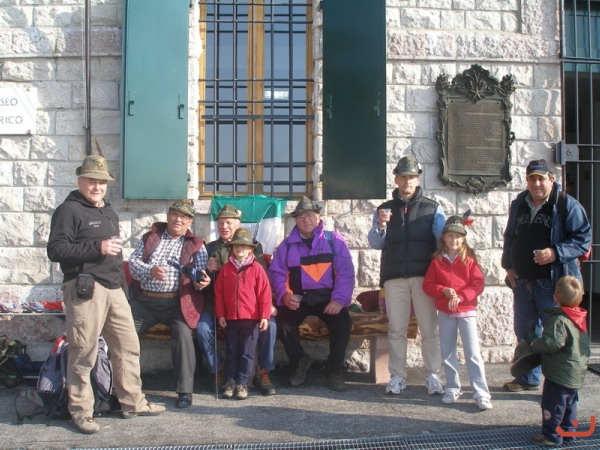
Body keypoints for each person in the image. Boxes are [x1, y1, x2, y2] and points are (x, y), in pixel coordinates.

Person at [47, 155, 165, 434]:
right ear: (80, 181)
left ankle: (132, 402)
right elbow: (56, 250)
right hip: (85, 290)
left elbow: (115, 256)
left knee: (128, 347)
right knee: (83, 352)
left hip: (114, 290)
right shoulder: (68, 210)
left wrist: (123, 289)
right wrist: (96, 248)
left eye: (102, 182)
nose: (97, 186)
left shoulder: (108, 212)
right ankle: (81, 412)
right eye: (92, 181)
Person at [501, 159, 591, 392]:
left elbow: (583, 239)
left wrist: (555, 253)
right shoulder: (519, 204)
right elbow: (510, 236)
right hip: (523, 282)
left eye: (541, 178)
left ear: (552, 179)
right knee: (526, 332)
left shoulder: (566, 205)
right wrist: (509, 266)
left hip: (553, 284)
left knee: (556, 336)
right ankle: (528, 379)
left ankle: (559, 385)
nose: (537, 183)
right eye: (532, 179)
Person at [368, 155, 445, 395]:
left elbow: (442, 244)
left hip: (423, 277)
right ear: (396, 180)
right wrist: (381, 226)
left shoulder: (432, 208)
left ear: (417, 179)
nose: (407, 181)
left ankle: (433, 375)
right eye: (403, 177)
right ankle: (398, 376)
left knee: (429, 329)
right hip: (394, 277)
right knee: (396, 330)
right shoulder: (384, 209)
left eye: (411, 177)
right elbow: (375, 243)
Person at [128, 199, 210, 409]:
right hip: (145, 303)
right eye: (175, 214)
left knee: (183, 336)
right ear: (168, 216)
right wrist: (150, 271)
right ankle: (118, 385)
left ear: (190, 221)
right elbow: (133, 265)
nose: (178, 219)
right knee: (122, 334)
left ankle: (185, 391)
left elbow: (200, 276)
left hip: (177, 303)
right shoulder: (150, 238)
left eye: (184, 217)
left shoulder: (196, 245)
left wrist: (202, 282)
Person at [269, 197, 355, 391]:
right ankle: (300, 361)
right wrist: (285, 296)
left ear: (318, 217)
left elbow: (346, 273)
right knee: (283, 324)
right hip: (300, 299)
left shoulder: (334, 241)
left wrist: (339, 300)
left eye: (309, 215)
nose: (305, 219)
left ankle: (334, 369)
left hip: (328, 299)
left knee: (343, 323)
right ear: (296, 220)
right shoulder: (286, 246)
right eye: (301, 216)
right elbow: (277, 274)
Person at [198, 204, 278, 396]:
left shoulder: (253, 248)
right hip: (217, 303)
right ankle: (218, 370)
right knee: (202, 329)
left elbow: (262, 282)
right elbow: (201, 281)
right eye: (220, 223)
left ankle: (262, 370)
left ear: (238, 224)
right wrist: (207, 271)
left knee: (271, 326)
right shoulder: (208, 248)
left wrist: (267, 307)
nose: (224, 226)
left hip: (249, 306)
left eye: (229, 222)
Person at [422, 214, 492, 410]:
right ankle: (452, 387)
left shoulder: (469, 260)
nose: (454, 240)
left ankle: (481, 392)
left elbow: (477, 284)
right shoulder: (437, 261)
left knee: (473, 353)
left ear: (463, 238)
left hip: (466, 311)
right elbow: (428, 285)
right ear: (444, 237)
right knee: (447, 352)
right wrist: (443, 290)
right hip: (445, 312)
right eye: (451, 236)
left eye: (458, 236)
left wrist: (461, 297)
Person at [527, 275, 590, 447]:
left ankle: (552, 436)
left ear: (555, 296)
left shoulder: (559, 320)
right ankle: (568, 433)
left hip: (559, 374)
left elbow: (551, 343)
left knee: (553, 405)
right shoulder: (580, 318)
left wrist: (535, 344)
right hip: (575, 374)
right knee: (570, 405)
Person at [216, 228, 272, 400]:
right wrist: (221, 314)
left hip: (251, 319)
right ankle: (230, 381)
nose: (239, 249)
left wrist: (264, 316)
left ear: (250, 249)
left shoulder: (257, 269)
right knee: (232, 351)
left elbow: (265, 294)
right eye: (236, 246)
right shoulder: (226, 269)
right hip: (231, 318)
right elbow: (219, 293)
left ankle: (242, 382)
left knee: (247, 353)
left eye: (243, 246)